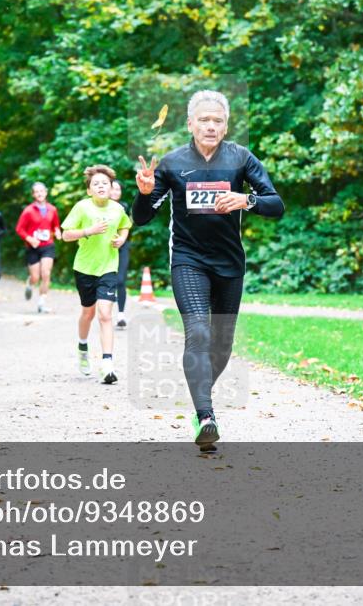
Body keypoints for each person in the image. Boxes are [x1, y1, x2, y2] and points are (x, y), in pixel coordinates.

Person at [132, 90, 284, 450]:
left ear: (226, 125)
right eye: (204, 120)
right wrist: (143, 192)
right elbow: (140, 217)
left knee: (221, 345)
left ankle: (199, 390)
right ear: (190, 124)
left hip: (230, 263)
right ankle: (206, 416)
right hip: (188, 259)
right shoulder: (171, 163)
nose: (210, 126)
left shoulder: (241, 158)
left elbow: (276, 204)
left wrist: (246, 200)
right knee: (198, 332)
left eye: (217, 120)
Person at [61, 165, 131, 384]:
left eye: (105, 184)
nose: (101, 187)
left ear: (112, 188)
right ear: (89, 190)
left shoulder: (117, 209)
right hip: (84, 268)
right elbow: (65, 235)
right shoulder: (82, 207)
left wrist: (121, 239)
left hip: (108, 267)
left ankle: (107, 364)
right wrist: (87, 231)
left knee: (105, 314)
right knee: (88, 313)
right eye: (96, 184)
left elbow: (125, 226)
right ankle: (82, 347)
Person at [15, 182, 61, 313]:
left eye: (42, 191)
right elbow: (19, 229)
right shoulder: (28, 211)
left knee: (46, 274)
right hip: (33, 247)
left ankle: (42, 302)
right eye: (37, 192)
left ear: (46, 192)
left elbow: (56, 225)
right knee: (35, 277)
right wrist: (30, 239)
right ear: (33, 194)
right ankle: (30, 284)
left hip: (48, 246)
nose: (40, 193)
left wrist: (57, 232)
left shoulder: (52, 209)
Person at [109, 179, 132, 329]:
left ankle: (121, 315)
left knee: (120, 280)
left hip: (122, 247)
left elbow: (128, 226)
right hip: (105, 249)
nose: (116, 192)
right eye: (113, 189)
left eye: (118, 189)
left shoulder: (124, 206)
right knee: (107, 281)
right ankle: (105, 314)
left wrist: (122, 239)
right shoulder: (100, 207)